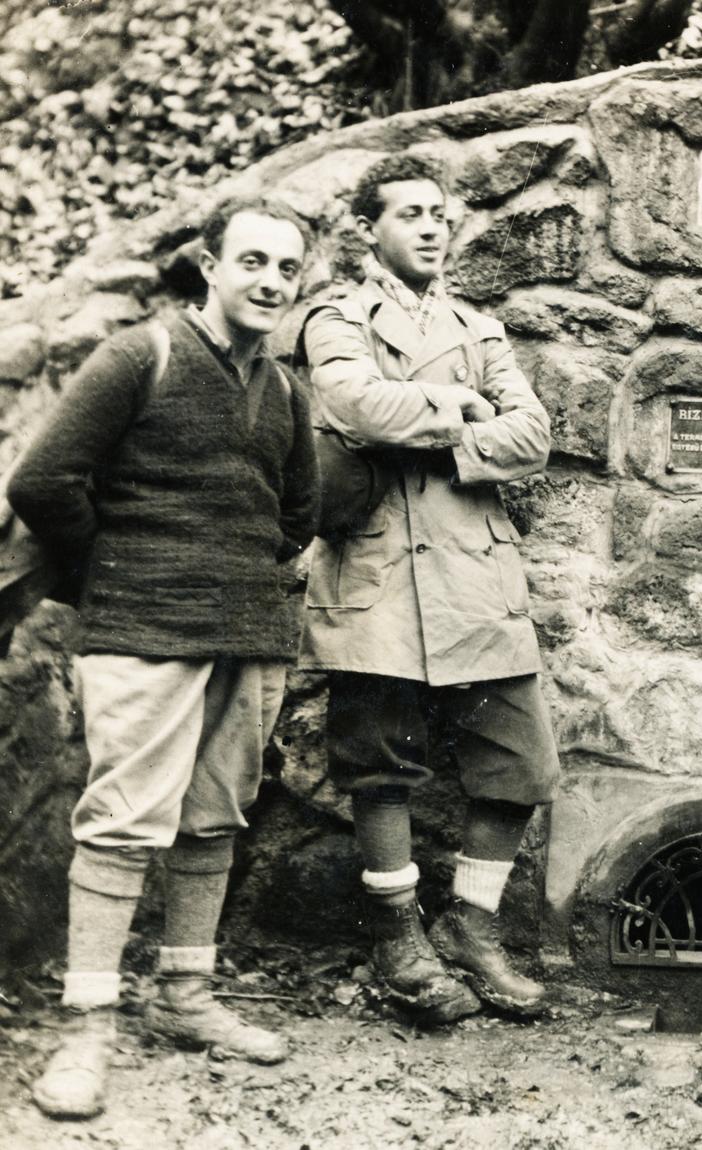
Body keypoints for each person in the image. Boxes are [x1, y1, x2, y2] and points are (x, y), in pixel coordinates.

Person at [9, 198, 318, 1119]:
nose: (269, 282)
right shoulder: (138, 355)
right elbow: (41, 481)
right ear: (210, 265)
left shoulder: (288, 390)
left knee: (215, 820)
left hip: (248, 635)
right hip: (142, 631)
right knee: (120, 823)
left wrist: (238, 577)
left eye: (286, 270)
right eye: (253, 262)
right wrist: (112, 572)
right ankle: (88, 1027)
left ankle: (185, 996)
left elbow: (297, 513)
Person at [298, 153, 557, 1025]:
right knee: (382, 770)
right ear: (367, 231)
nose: (434, 226)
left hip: (477, 576)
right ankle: (397, 936)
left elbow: (533, 435)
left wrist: (440, 429)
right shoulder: (335, 316)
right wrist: (462, 410)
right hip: (377, 573)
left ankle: (471, 927)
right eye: (411, 213)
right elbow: (352, 405)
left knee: (521, 764)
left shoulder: (479, 327)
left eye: (441, 213)